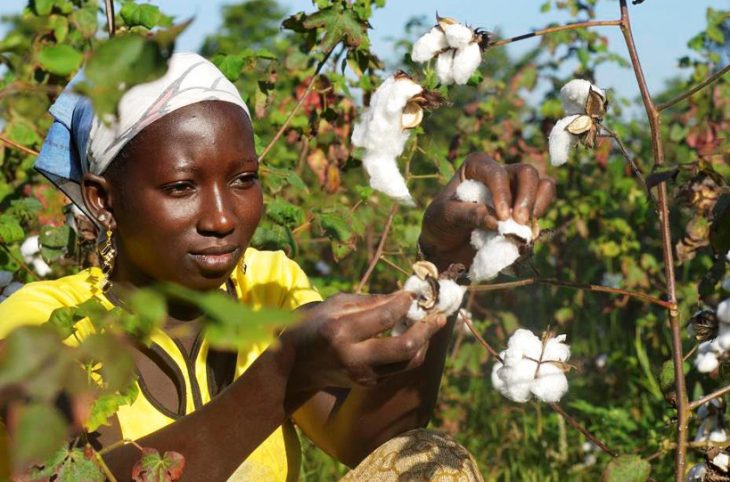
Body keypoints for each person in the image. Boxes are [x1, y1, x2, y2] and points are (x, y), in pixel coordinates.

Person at [0, 52, 555, 481]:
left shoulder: (267, 286)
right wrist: (283, 373)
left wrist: (444, 260)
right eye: (180, 187)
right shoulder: (43, 327)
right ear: (103, 201)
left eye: (243, 179)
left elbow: (365, 442)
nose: (221, 217)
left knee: (430, 462)